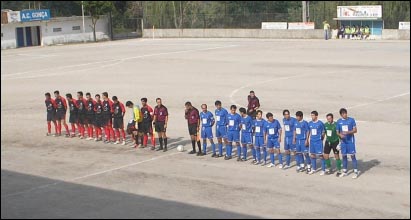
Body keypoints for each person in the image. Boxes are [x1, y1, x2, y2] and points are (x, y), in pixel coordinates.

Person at [336, 108, 360, 179]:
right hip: (343, 142)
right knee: (344, 156)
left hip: (350, 141)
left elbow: (355, 130)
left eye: (345, 113)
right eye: (343, 114)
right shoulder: (339, 121)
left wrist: (348, 132)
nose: (344, 115)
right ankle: (345, 171)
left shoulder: (351, 120)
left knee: (352, 156)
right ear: (341, 115)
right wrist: (340, 135)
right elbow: (337, 131)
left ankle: (356, 172)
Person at [307, 111, 326, 175]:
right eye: (311, 115)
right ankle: (314, 169)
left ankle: (323, 169)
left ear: (316, 116)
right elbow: (309, 131)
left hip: (318, 141)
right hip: (312, 141)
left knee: (320, 155)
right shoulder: (310, 123)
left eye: (313, 115)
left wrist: (322, 138)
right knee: (312, 155)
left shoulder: (320, 123)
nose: (312, 116)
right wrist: (307, 139)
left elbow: (323, 131)